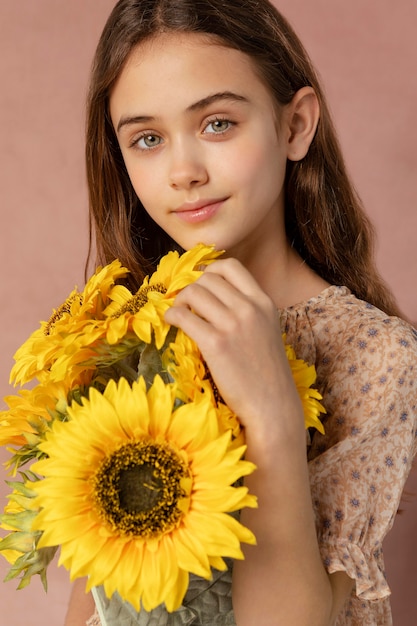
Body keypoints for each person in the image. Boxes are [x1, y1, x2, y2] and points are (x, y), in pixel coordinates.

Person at [64, 0, 417, 624]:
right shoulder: (129, 333)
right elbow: (95, 603)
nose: (183, 172)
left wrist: (272, 416)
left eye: (217, 124)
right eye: (147, 139)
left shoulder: (376, 356)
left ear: (295, 125)